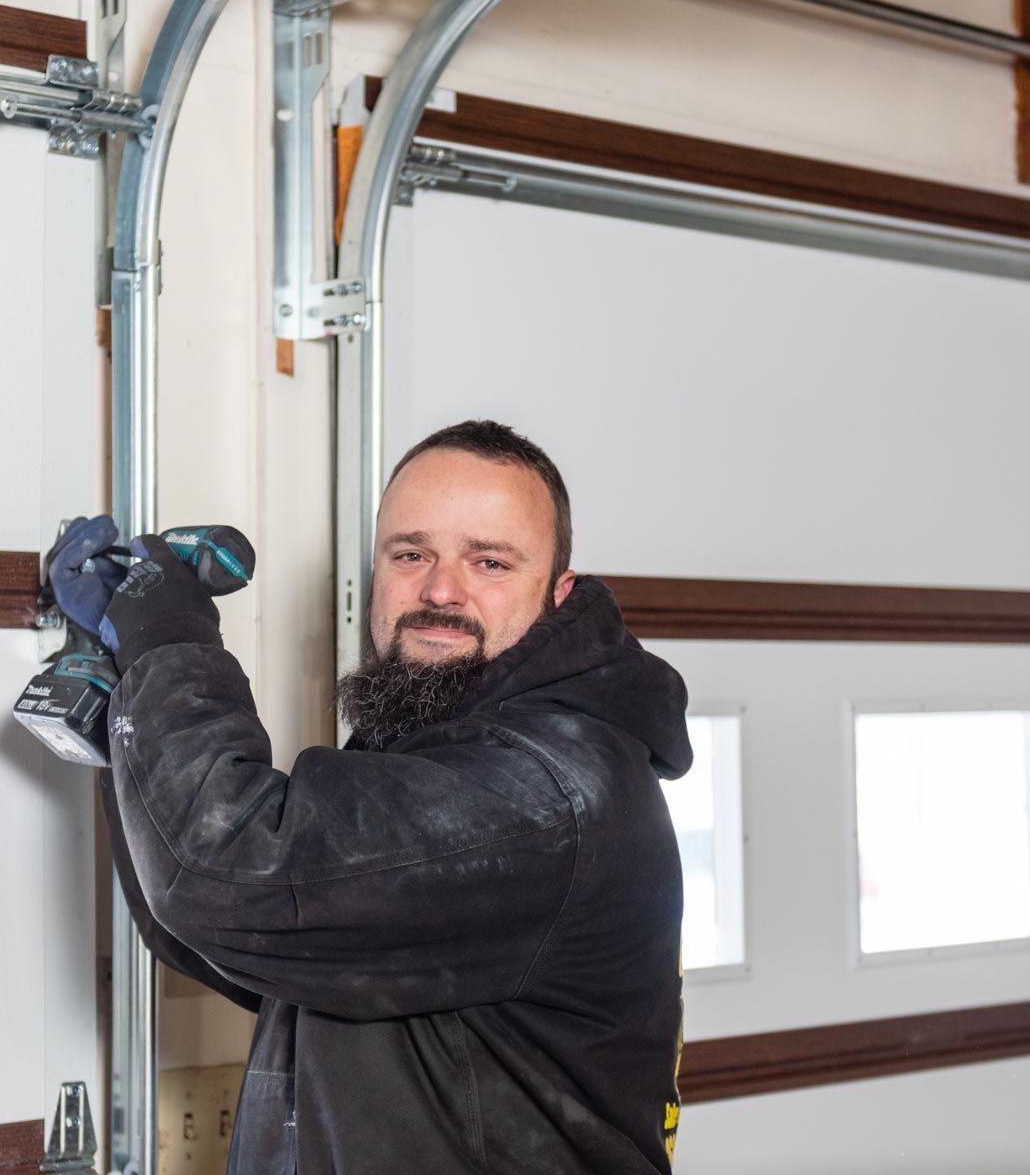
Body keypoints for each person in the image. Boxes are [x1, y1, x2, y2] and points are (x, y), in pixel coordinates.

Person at [52, 419, 692, 1174]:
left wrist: (167, 638)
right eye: (411, 554)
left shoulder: (546, 792)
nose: (440, 591)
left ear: (558, 595)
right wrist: (126, 695)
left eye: (489, 562)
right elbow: (227, 928)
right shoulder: (436, 744)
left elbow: (221, 871)